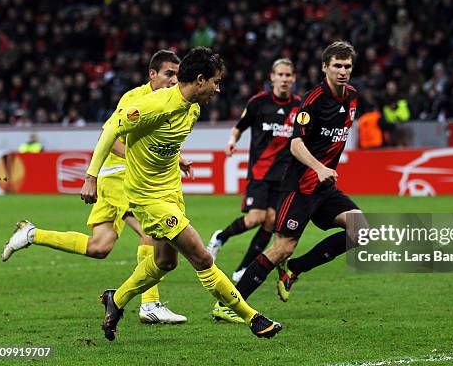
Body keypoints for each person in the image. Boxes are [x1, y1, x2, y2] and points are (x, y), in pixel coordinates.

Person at [79, 47, 281, 340]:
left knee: (165, 263)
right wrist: (91, 177)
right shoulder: (153, 105)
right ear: (200, 80)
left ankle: (117, 299)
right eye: (215, 81)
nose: (218, 88)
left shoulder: (194, 108)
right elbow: (109, 130)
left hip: (172, 191)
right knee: (201, 257)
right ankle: (252, 317)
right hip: (147, 197)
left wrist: (177, 159)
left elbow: (159, 142)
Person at [2, 50, 188, 324]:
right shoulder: (136, 98)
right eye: (168, 74)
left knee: (100, 247)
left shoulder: (170, 101)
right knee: (153, 232)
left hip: (121, 177)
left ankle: (31, 234)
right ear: (153, 74)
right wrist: (117, 165)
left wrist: (173, 157)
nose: (174, 80)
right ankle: (150, 304)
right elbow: (108, 136)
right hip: (119, 176)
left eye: (177, 74)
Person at [216, 41, 367, 320]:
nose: (343, 71)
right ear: (325, 67)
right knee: (282, 247)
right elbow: (296, 144)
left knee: (362, 229)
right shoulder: (312, 100)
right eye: (337, 65)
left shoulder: (353, 97)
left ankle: (294, 269)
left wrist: (323, 172)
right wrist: (320, 167)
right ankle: (228, 304)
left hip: (324, 187)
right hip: (300, 186)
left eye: (347, 66)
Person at [207, 59, 300, 287]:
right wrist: (231, 141)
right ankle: (220, 237)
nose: (285, 79)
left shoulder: (299, 106)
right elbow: (239, 126)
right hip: (260, 171)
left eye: (288, 75)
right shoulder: (259, 102)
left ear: (294, 78)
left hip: (283, 176)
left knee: (271, 222)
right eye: (281, 74)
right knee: (256, 218)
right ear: (272, 77)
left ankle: (243, 269)